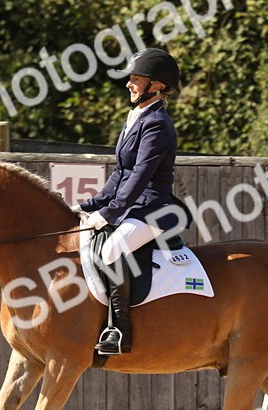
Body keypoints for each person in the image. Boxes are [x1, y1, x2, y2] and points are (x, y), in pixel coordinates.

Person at [76, 47, 188, 355]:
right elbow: (120, 173)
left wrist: (111, 213)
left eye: (136, 78)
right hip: (135, 206)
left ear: (156, 85)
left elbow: (140, 176)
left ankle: (118, 329)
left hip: (155, 208)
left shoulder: (158, 124)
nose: (129, 84)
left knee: (112, 249)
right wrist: (91, 205)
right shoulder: (137, 117)